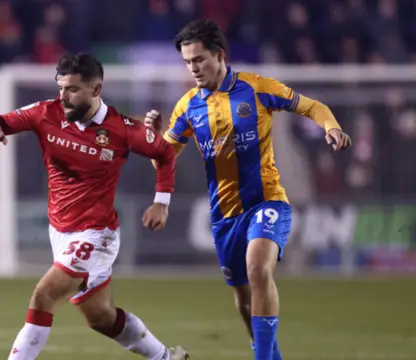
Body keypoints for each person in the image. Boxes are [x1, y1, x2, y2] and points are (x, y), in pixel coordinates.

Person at [143, 20, 351, 360]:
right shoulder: (188, 106)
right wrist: (153, 139)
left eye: (198, 60)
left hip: (266, 200)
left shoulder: (256, 88)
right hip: (224, 215)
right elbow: (163, 160)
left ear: (220, 55)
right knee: (242, 299)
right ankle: (267, 351)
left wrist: (331, 127)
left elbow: (311, 106)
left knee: (258, 267)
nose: (193, 68)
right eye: (187, 62)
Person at [0, 53, 189, 360]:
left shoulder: (124, 128)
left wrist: (161, 201)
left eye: (72, 90)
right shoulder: (45, 113)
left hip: (96, 234)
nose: (63, 97)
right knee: (101, 318)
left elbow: (166, 154)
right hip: (61, 232)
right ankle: (166, 358)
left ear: (96, 89)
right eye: (60, 88)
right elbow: (1, 119)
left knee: (44, 295)